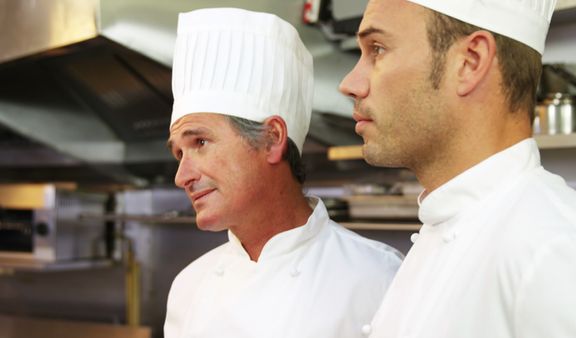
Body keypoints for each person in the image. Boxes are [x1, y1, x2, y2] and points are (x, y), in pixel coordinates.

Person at [339, 0, 576, 337]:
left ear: (470, 62)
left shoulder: (560, 256)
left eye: (377, 49)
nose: (350, 83)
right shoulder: (447, 228)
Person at [163, 7, 402, 338]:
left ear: (272, 139)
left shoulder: (379, 278)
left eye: (200, 142)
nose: (181, 175)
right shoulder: (188, 288)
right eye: (179, 153)